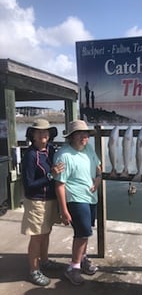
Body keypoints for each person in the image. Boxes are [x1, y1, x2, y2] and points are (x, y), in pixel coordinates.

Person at [54, 120, 102, 285]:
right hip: (75, 199)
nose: (84, 137)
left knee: (86, 232)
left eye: (86, 134)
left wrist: (98, 179)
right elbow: (59, 184)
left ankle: (83, 259)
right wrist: (63, 210)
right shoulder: (63, 155)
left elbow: (98, 168)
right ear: (71, 137)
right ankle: (73, 268)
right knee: (81, 234)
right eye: (80, 134)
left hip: (90, 198)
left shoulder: (88, 149)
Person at [21, 119, 64, 286]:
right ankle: (34, 270)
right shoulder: (30, 155)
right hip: (36, 202)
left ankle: (44, 261)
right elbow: (29, 185)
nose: (43, 134)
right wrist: (50, 175)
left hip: (51, 200)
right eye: (39, 132)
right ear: (32, 135)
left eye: (46, 131)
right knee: (37, 237)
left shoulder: (51, 150)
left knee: (46, 232)